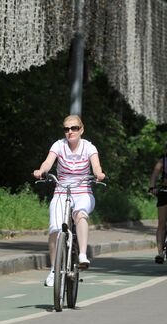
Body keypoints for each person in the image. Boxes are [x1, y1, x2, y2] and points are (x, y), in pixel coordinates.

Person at [33, 115, 105, 287]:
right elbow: (48, 162)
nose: (70, 132)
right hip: (61, 192)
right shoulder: (59, 145)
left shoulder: (89, 147)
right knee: (55, 230)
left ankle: (82, 255)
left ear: (81, 129)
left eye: (74, 128)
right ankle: (53, 270)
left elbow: (96, 166)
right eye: (66, 129)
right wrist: (41, 170)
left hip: (83, 192)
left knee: (80, 214)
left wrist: (98, 174)